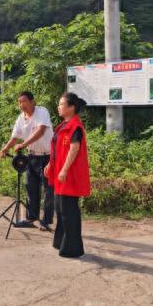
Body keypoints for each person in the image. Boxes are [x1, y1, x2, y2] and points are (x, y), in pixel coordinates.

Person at [0, 91, 54, 231]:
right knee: (31, 187)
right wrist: (5, 148)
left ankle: (46, 221)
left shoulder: (42, 112)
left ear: (32, 101)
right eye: (19, 102)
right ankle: (31, 218)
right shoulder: (20, 118)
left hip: (48, 157)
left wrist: (23, 144)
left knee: (48, 190)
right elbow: (15, 137)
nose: (21, 104)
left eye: (24, 101)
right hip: (31, 157)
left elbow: (41, 131)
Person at [45, 92, 91, 258]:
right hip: (60, 174)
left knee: (68, 211)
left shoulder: (75, 126)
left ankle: (73, 248)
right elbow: (58, 149)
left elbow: (74, 149)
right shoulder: (63, 125)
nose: (58, 107)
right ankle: (60, 242)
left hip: (69, 175)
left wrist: (64, 169)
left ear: (71, 108)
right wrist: (50, 164)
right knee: (60, 208)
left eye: (61, 104)